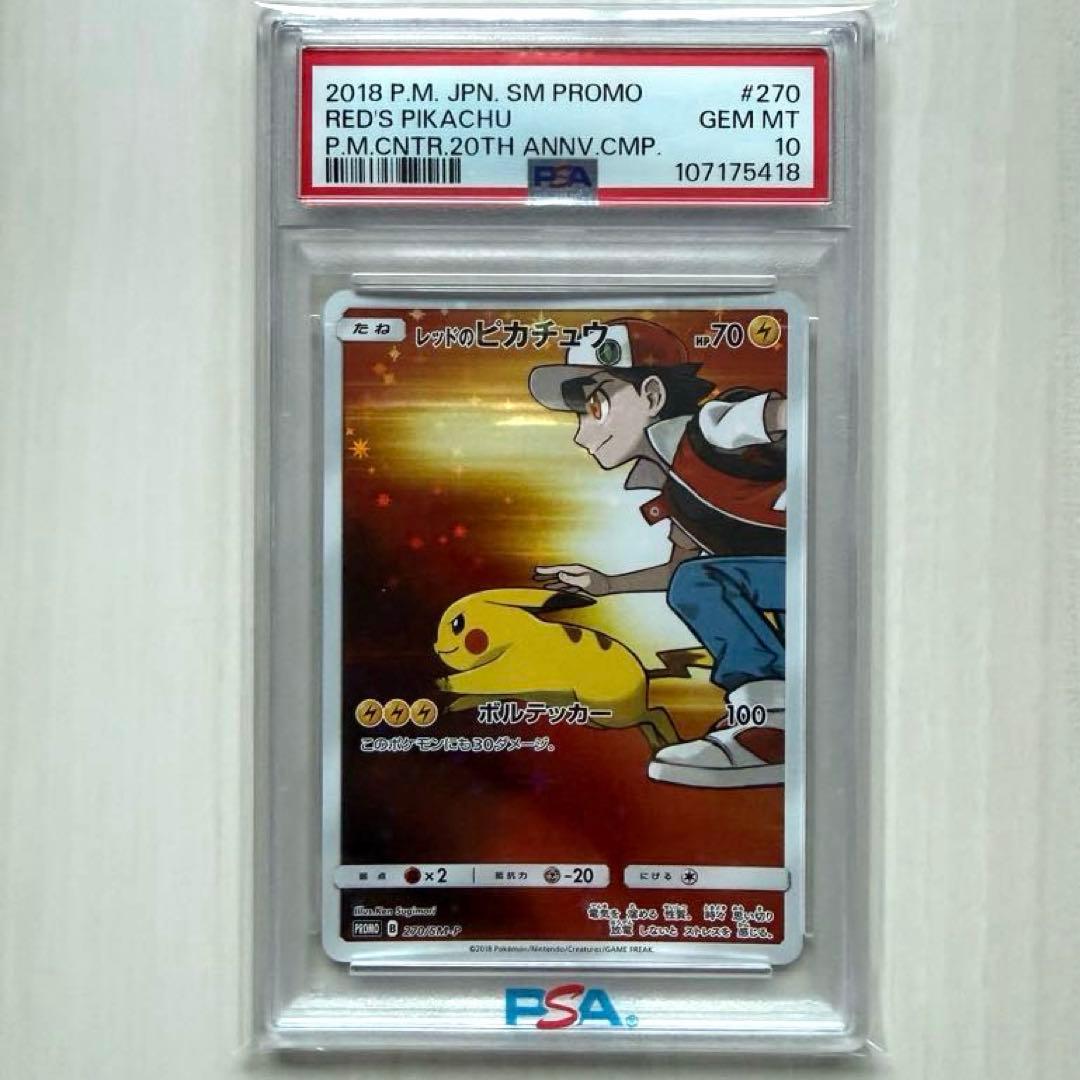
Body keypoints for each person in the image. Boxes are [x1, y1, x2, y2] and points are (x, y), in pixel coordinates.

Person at [528, 317, 787, 788]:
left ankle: (769, 723)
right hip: (796, 582)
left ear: (651, 396)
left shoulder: (711, 429)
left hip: (823, 566)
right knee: (701, 581)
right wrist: (607, 585)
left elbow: (789, 415)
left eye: (594, 405)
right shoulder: (678, 495)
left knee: (702, 583)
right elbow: (679, 570)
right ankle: (775, 727)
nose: (581, 434)